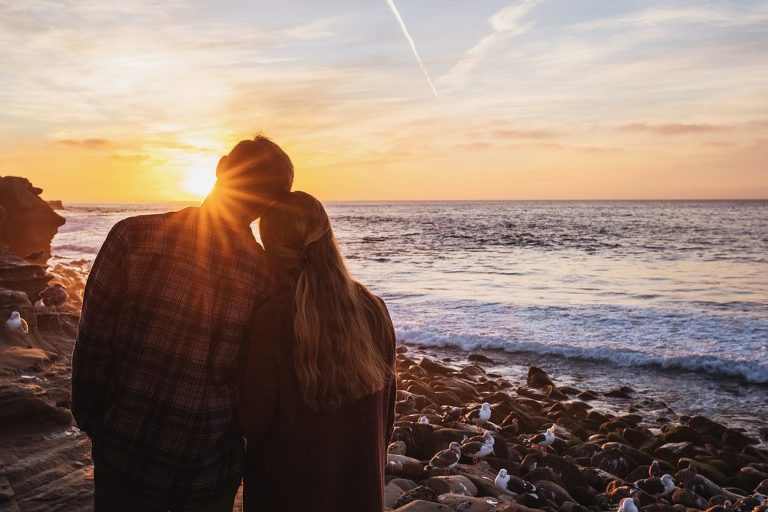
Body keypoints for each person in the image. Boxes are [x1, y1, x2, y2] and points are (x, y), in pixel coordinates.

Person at [71, 136, 294, 511]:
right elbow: (254, 382)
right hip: (209, 467)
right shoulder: (267, 278)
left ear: (222, 166)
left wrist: (100, 426)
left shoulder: (132, 236)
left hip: (125, 450)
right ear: (271, 205)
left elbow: (93, 347)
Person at [239, 191, 397, 512]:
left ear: (271, 247)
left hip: (287, 493)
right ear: (326, 234)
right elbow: (388, 412)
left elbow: (253, 423)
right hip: (359, 491)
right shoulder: (373, 308)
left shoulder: (273, 317)